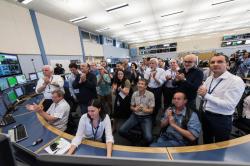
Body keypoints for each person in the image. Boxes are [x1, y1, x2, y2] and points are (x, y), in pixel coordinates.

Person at [198, 54, 245, 143]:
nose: (215, 64)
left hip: (221, 119)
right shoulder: (209, 79)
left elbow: (229, 105)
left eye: (220, 62)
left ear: (227, 64)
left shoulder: (235, 81)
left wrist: (206, 95)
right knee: (207, 142)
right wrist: (202, 94)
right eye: (212, 62)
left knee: (221, 145)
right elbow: (202, 95)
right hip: (206, 115)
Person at [119, 79, 155, 146]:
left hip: (146, 117)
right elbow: (131, 107)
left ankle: (140, 143)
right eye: (139, 83)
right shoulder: (134, 94)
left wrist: (144, 110)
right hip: (135, 116)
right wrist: (134, 109)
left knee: (149, 138)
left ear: (146, 86)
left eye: (142, 84)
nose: (139, 85)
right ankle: (135, 139)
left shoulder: (150, 95)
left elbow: (151, 110)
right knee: (121, 131)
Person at [144, 58, 165, 123]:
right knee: (148, 103)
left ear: (157, 64)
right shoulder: (147, 70)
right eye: (150, 63)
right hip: (149, 89)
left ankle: (154, 118)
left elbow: (160, 83)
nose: (151, 65)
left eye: (153, 63)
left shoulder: (161, 70)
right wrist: (150, 76)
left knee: (156, 104)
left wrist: (155, 77)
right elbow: (145, 82)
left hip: (157, 89)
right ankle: (149, 117)